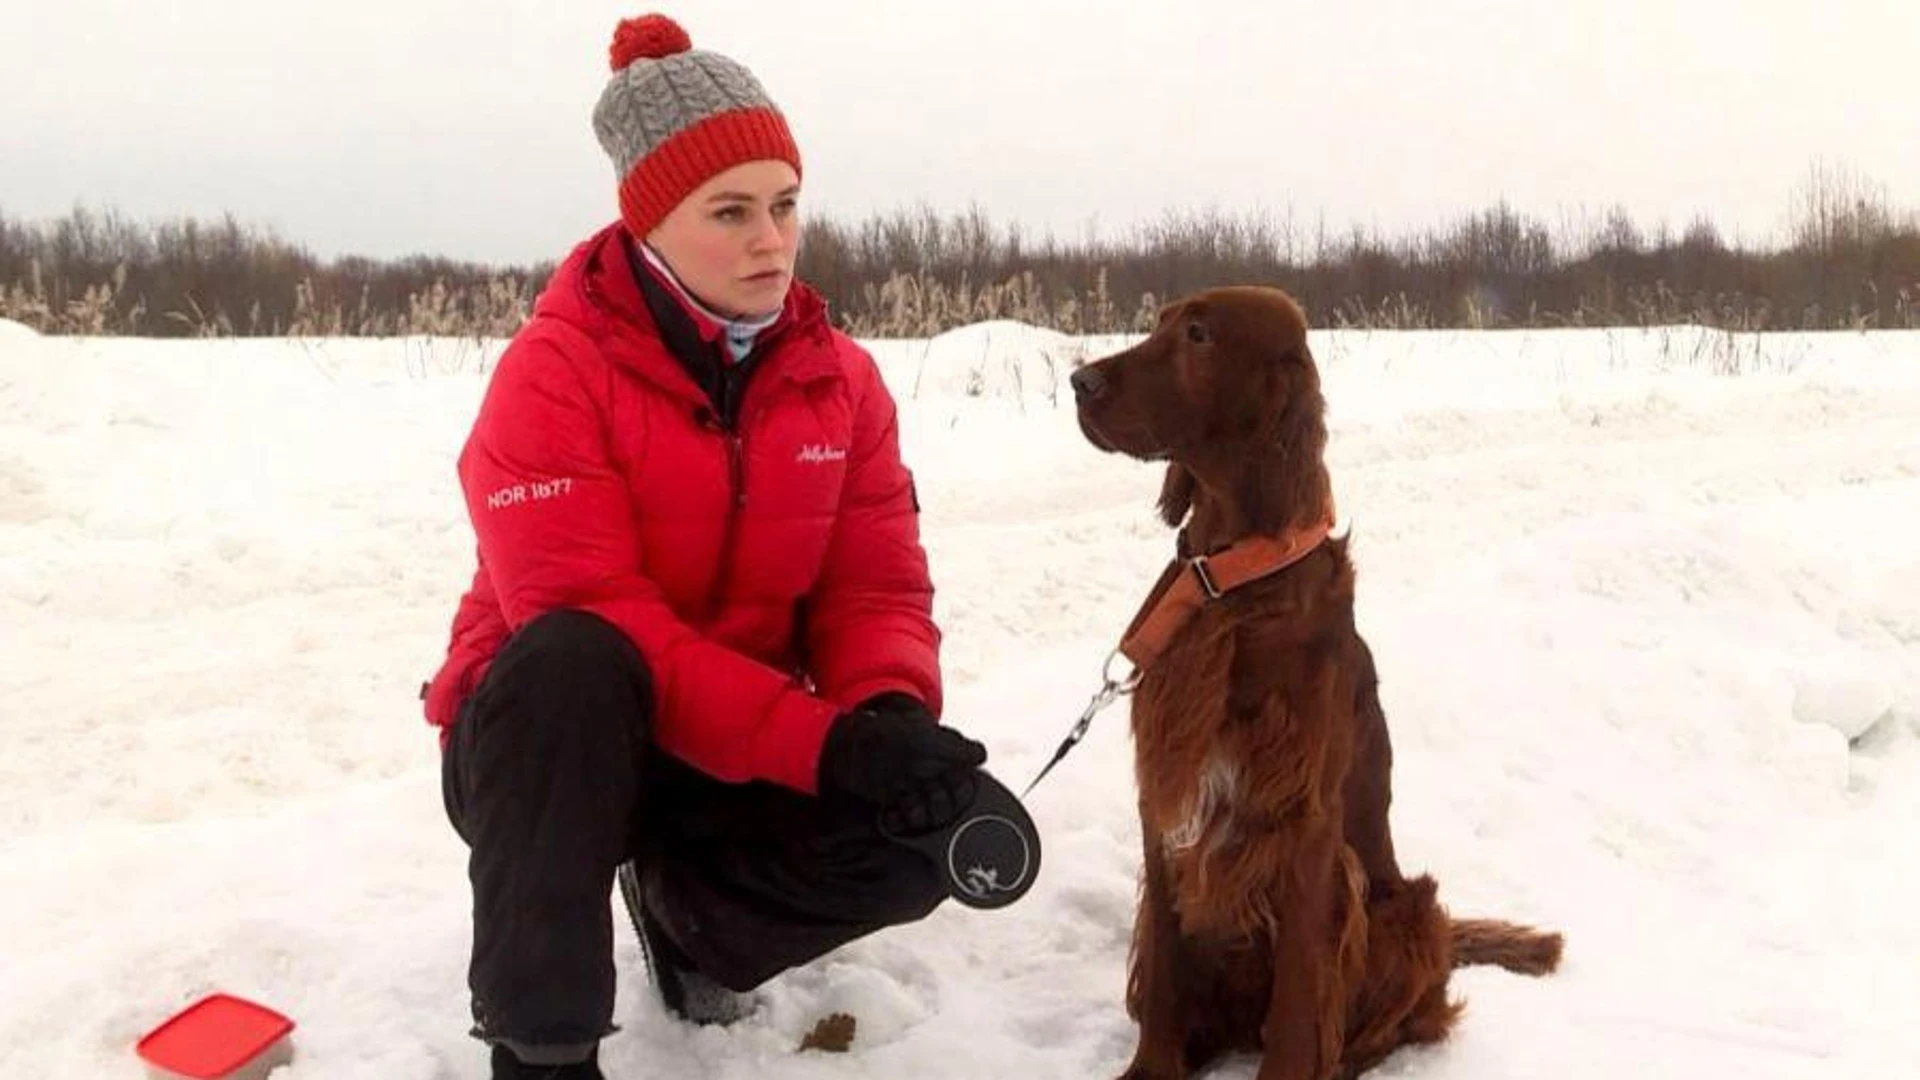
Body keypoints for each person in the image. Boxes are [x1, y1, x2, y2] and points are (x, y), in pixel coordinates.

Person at [419, 13, 989, 1079]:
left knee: (926, 831)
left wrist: (886, 717)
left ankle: (693, 928)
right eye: (730, 213)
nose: (771, 241)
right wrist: (823, 746)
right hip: (550, 752)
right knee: (572, 660)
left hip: (730, 748)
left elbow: (874, 590)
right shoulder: (555, 372)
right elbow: (598, 616)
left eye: (783, 207)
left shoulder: (841, 383)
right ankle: (542, 1047)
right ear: (648, 225)